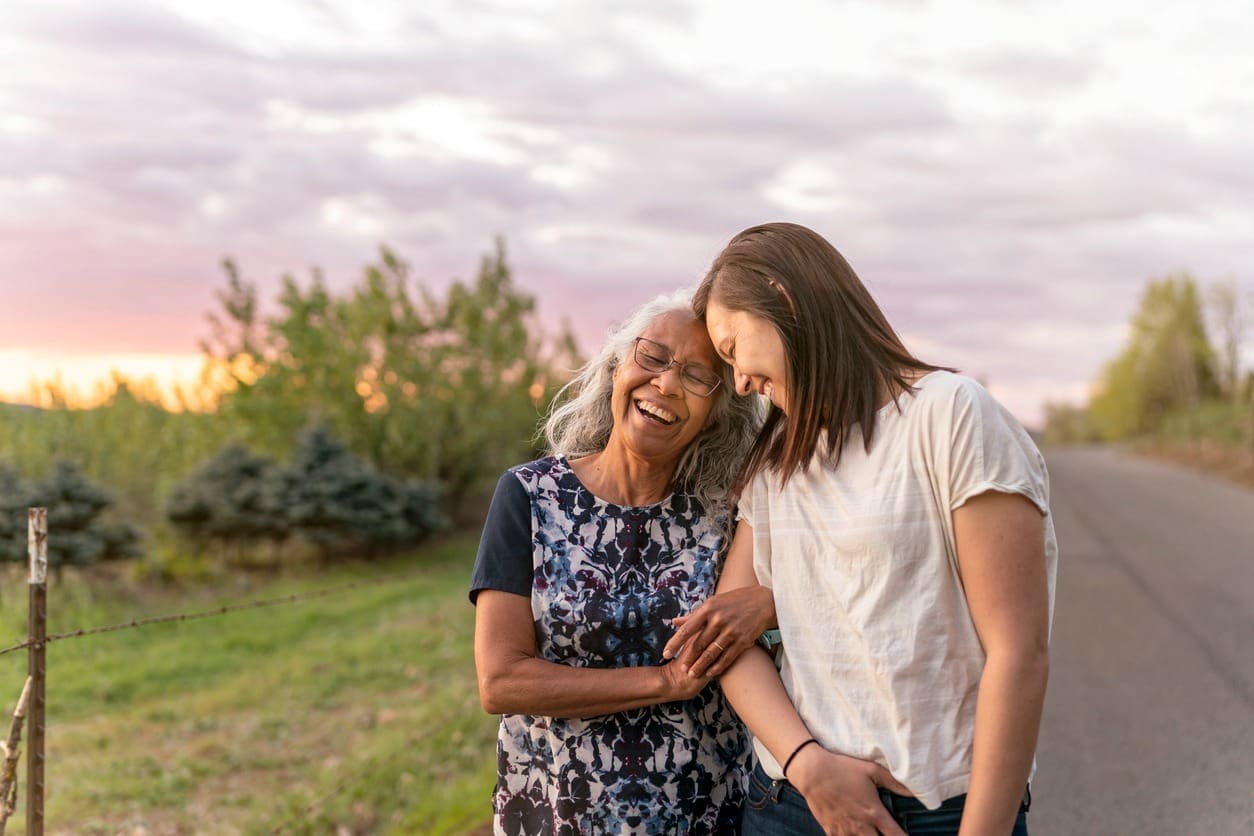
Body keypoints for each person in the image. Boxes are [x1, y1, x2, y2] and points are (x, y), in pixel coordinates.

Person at [667, 222, 1057, 835]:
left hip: (941, 810)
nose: (739, 381)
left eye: (733, 346)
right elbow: (725, 639)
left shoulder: (951, 416)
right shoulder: (777, 462)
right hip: (793, 805)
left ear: (783, 298)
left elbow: (1019, 653)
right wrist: (807, 765)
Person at [469, 289, 764, 834]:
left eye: (698, 377)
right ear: (616, 367)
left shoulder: (734, 514)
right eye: (652, 356)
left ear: (719, 413)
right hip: (558, 812)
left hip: (706, 814)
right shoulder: (528, 496)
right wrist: (664, 681)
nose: (667, 383)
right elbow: (501, 681)